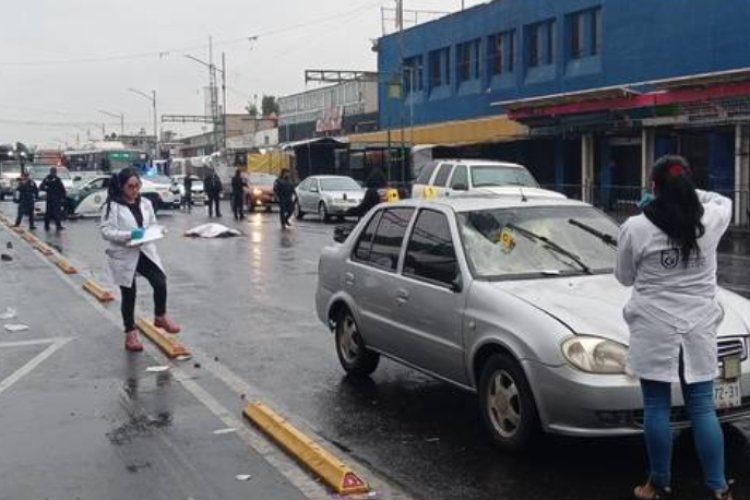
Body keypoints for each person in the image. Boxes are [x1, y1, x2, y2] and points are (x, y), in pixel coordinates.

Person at [615, 155, 734, 500]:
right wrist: (684, 190)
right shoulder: (710, 219)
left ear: (653, 188)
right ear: (687, 185)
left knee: (656, 406)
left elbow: (624, 277)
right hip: (698, 325)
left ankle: (657, 483)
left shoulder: (636, 227)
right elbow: (721, 199)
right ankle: (719, 487)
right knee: (702, 406)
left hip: (654, 326)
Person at [100, 167, 181, 352]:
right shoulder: (112, 206)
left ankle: (160, 316)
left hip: (144, 250)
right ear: (122, 186)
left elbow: (151, 223)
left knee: (160, 281)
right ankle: (130, 334)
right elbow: (106, 231)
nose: (135, 190)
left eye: (137, 186)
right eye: (131, 186)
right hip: (125, 253)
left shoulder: (145, 203)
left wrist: (157, 230)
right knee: (129, 295)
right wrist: (129, 234)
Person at [40, 166, 66, 231]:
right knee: (49, 212)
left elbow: (62, 188)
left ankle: (58, 225)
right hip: (50, 197)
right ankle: (47, 226)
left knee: (56, 212)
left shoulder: (57, 179)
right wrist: (48, 189)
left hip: (56, 197)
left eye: (54, 172)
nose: (54, 173)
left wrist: (63, 196)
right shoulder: (47, 179)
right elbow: (41, 187)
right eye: (53, 172)